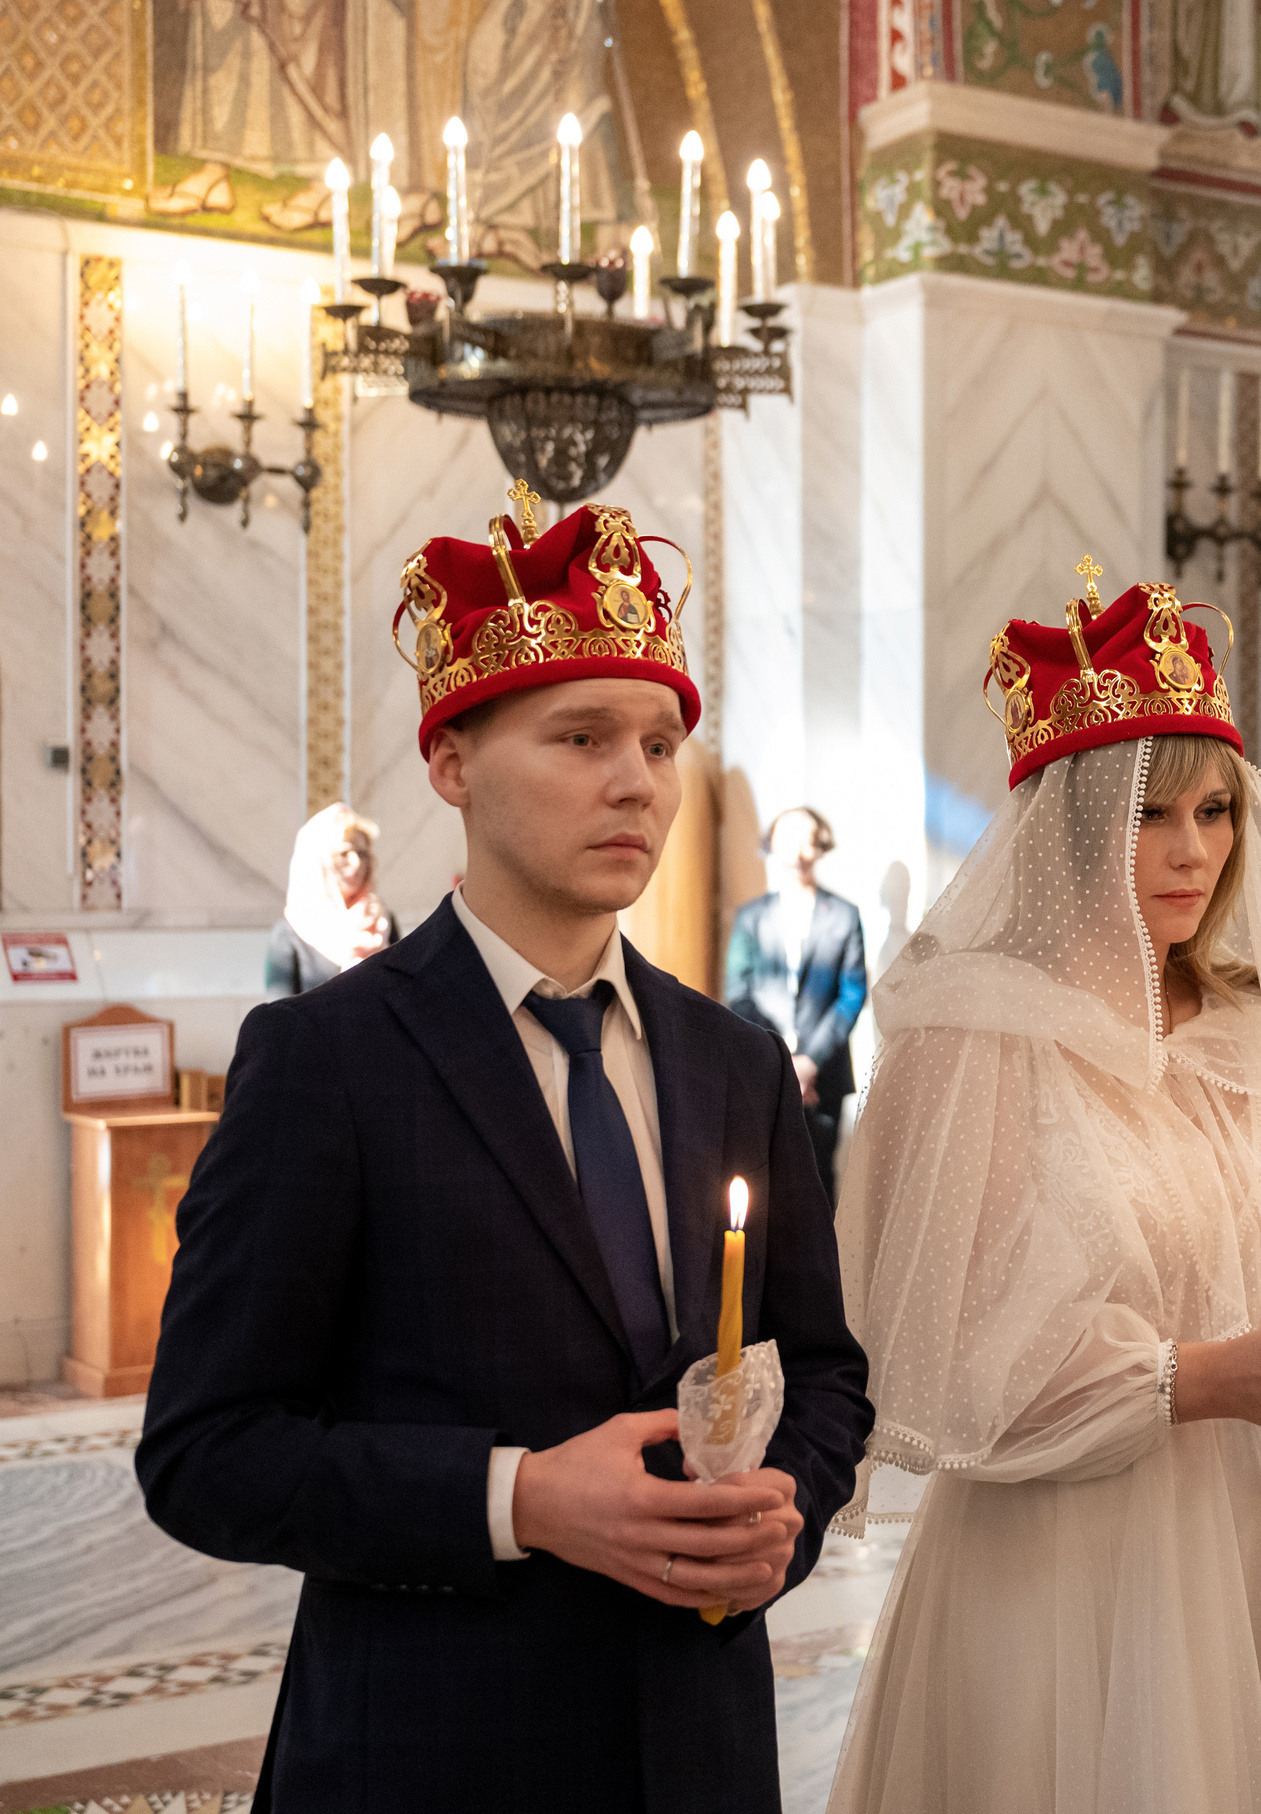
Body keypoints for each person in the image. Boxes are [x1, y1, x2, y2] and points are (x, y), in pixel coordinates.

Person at [137, 490, 874, 1813]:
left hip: (698, 1742)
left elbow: (821, 1369)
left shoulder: (735, 1061)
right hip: (434, 1743)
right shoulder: (328, 1058)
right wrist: (519, 1497)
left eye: (659, 742)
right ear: (453, 760)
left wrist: (783, 1510)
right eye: (581, 735)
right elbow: (208, 1449)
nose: (637, 780)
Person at [831, 571, 1261, 1814]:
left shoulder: (1244, 1029)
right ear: (1069, 825)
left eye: (1215, 810)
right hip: (1061, 1557)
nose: (1193, 850)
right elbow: (944, 1362)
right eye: (1149, 813)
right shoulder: (973, 1035)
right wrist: (1200, 1376)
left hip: (1256, 1526)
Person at [725, 806, 870, 1196]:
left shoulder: (844, 915)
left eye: (807, 839)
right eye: (787, 837)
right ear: (771, 843)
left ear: (821, 845)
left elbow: (852, 994)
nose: (797, 850)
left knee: (818, 1183)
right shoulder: (751, 916)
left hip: (822, 1075)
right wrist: (779, 1060)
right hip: (761, 1069)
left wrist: (809, 1063)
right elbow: (738, 993)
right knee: (758, 1179)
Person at [266, 801, 399, 995]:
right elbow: (278, 1009)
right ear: (317, 861)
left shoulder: (383, 921)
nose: (356, 863)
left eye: (362, 853)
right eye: (343, 853)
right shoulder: (289, 932)